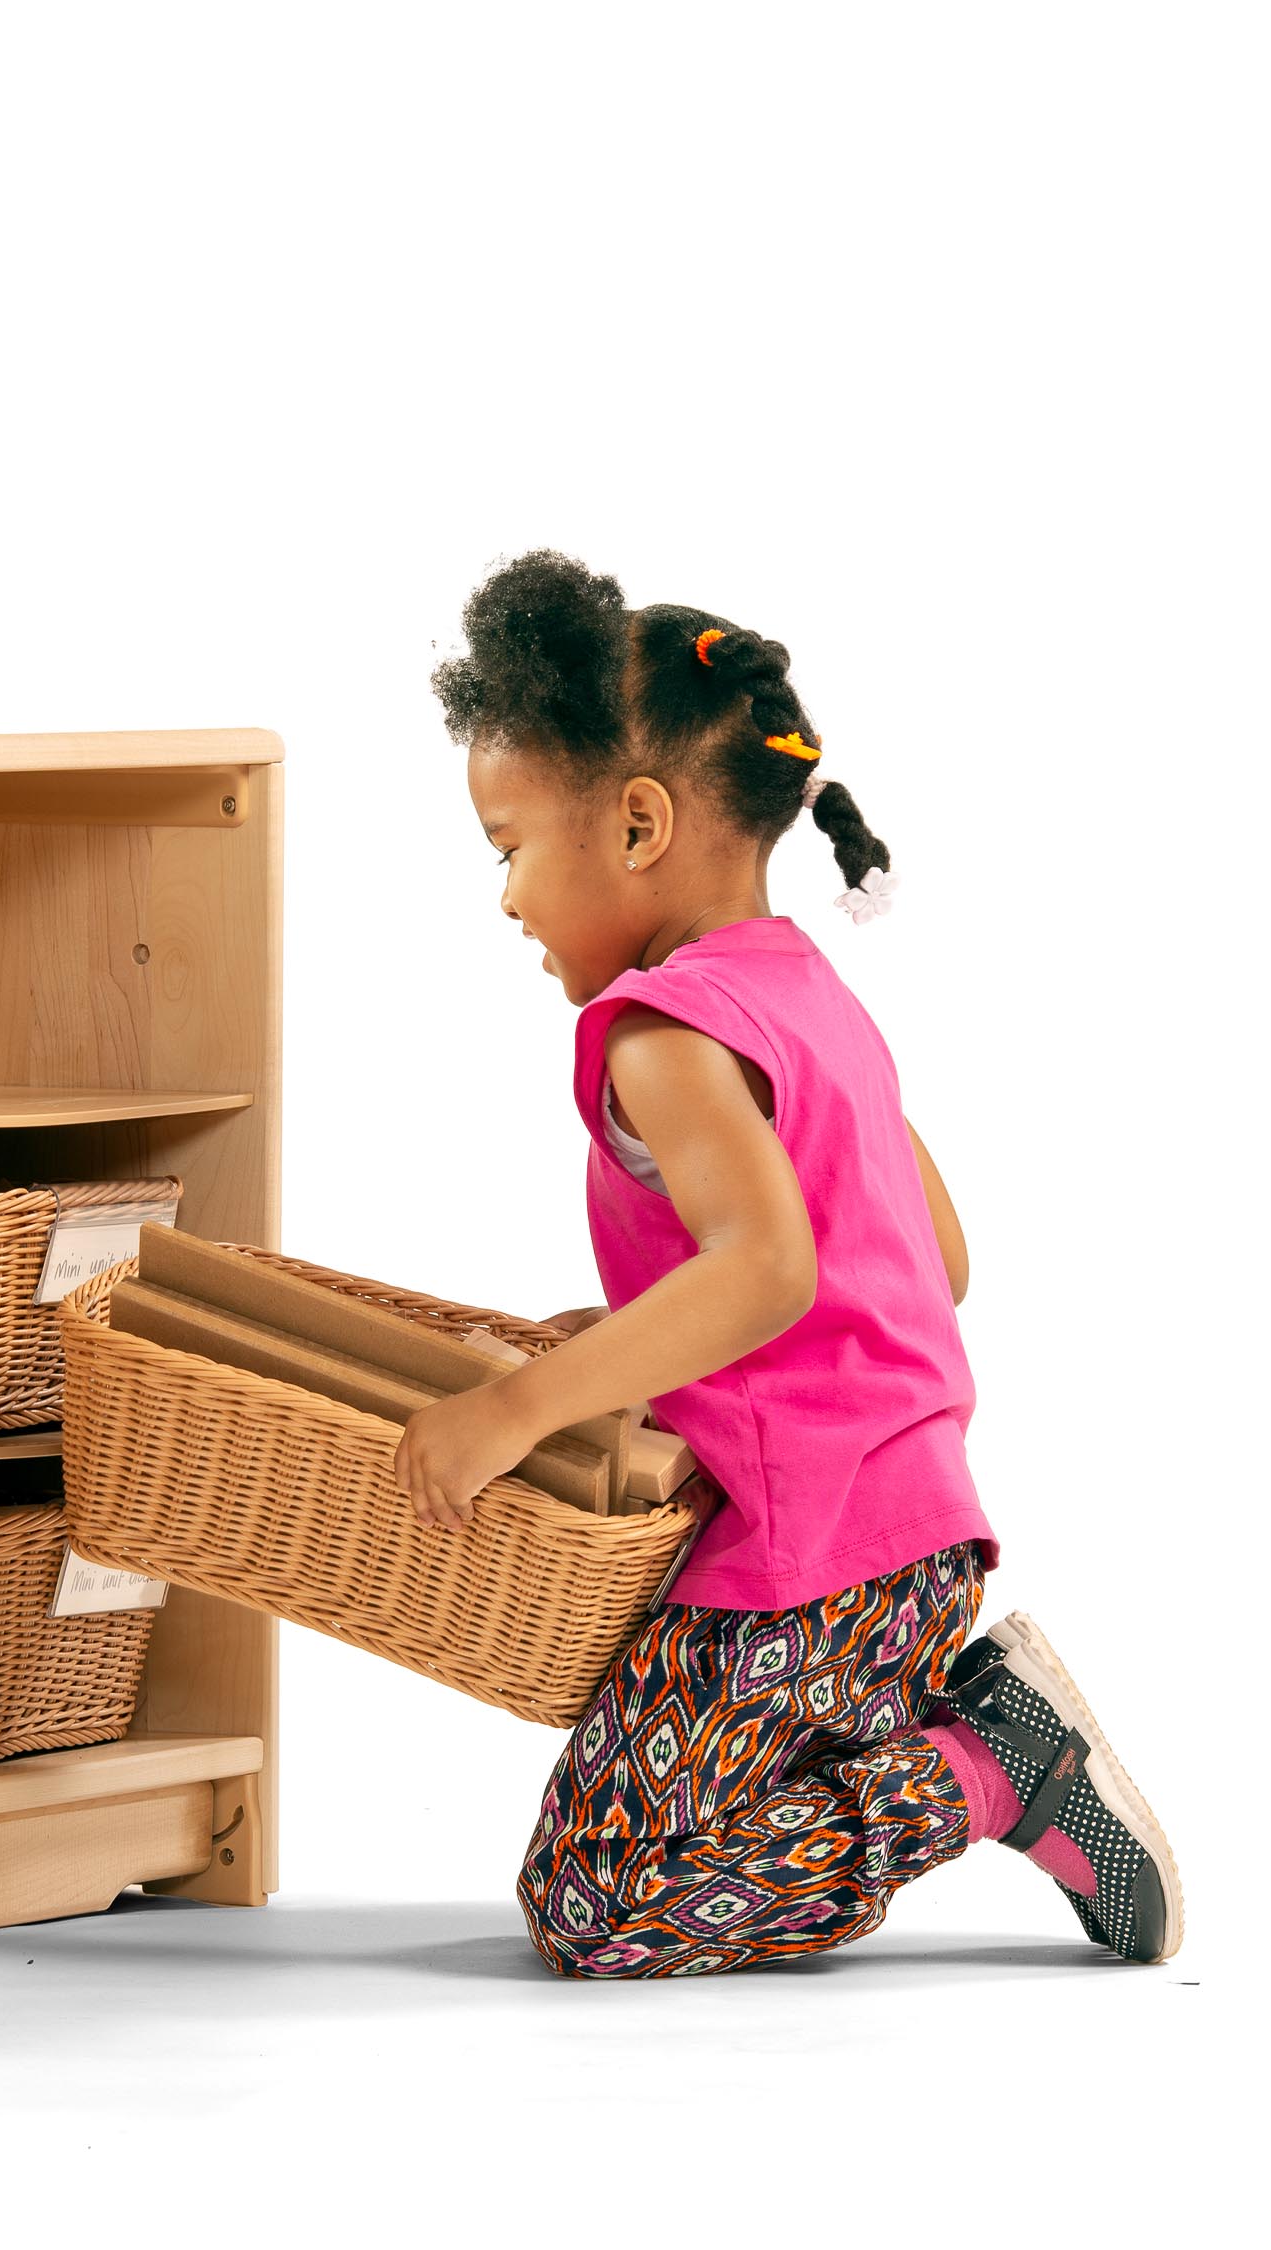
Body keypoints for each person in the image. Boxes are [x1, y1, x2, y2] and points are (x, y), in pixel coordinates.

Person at [395, 551, 1180, 1975]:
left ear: (636, 824)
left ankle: (986, 1768)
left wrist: (522, 1405)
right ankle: (930, 1714)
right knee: (624, 1842)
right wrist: (651, 1328)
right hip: (911, 1541)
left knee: (595, 1900)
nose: (505, 898)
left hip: (810, 1565)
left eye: (507, 846)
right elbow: (927, 1256)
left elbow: (765, 1272)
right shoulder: (805, 991)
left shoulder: (660, 1027)